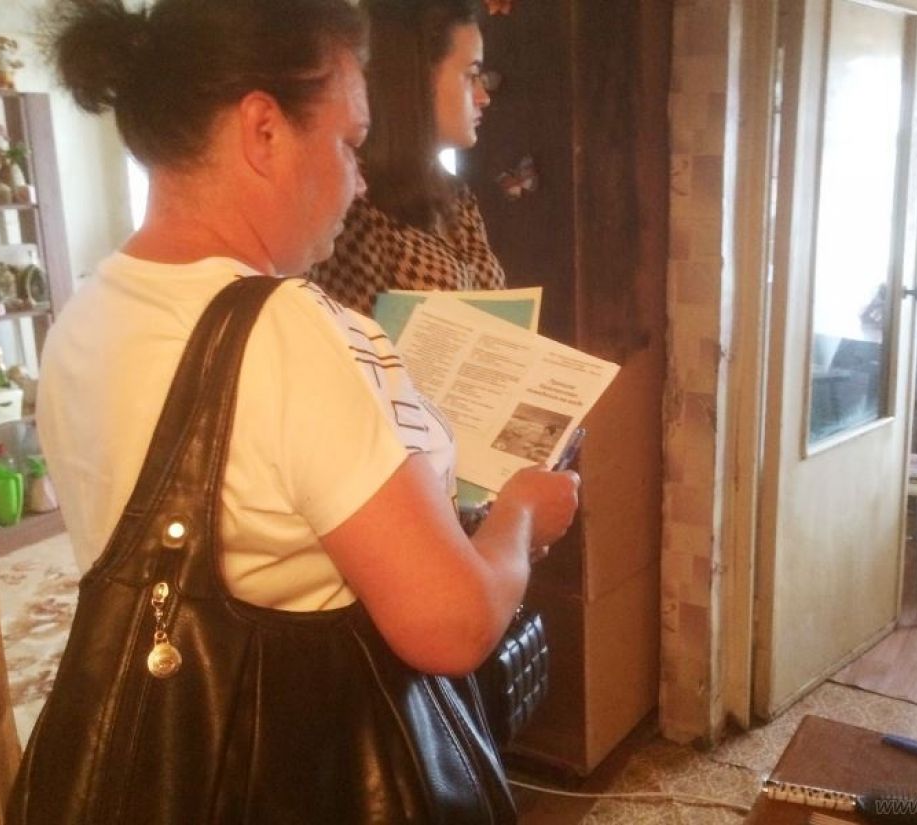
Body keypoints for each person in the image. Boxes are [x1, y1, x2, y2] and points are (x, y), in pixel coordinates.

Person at [39, 0, 577, 733]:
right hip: (302, 755)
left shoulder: (84, 316)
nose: (360, 183)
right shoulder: (290, 331)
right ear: (264, 130)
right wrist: (520, 513)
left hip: (169, 739)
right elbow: (454, 624)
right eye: (349, 143)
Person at [309, 0, 504, 315]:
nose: (483, 96)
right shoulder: (356, 209)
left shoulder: (457, 195)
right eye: (471, 75)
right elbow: (348, 335)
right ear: (418, 79)